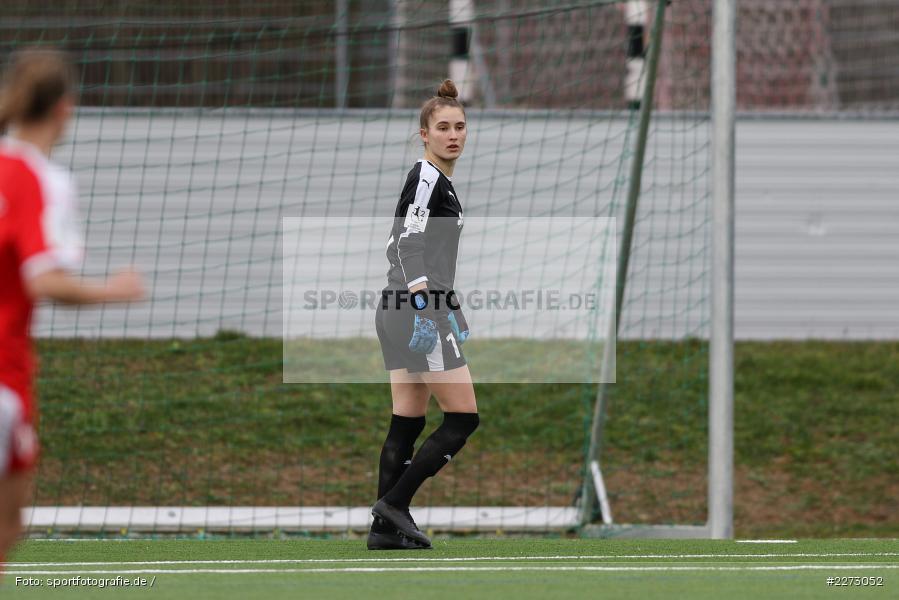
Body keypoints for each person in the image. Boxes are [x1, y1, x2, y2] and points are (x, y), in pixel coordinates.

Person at [0, 49, 145, 568]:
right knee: (9, 524)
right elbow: (44, 281)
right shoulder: (40, 179)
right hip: (3, 374)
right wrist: (116, 289)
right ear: (65, 107)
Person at [370, 80, 479, 550]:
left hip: (395, 307)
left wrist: (451, 306)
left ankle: (383, 532)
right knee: (463, 419)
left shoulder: (439, 181)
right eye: (442, 127)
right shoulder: (428, 177)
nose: (452, 135)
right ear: (424, 134)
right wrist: (425, 305)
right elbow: (406, 244)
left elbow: (416, 252)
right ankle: (394, 503)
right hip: (413, 309)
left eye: (459, 127)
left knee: (407, 422)